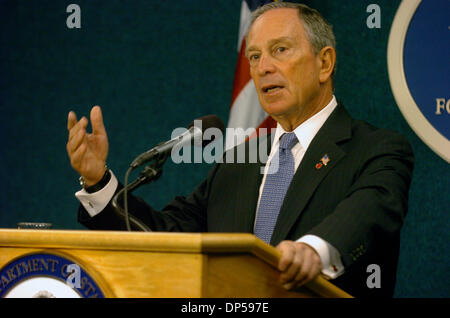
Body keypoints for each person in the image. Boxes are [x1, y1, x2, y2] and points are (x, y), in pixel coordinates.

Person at [66, 2, 414, 297]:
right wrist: (98, 182)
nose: (263, 68)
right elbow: (166, 238)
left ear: (324, 63)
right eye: (254, 55)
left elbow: (370, 211)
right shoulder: (237, 160)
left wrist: (313, 249)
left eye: (280, 50)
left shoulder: (377, 149)